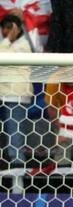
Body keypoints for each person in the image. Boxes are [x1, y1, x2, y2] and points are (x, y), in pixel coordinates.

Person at [0, 13, 32, 167]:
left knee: (15, 133)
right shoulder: (8, 45)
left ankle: (17, 168)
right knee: (9, 132)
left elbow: (2, 55)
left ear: (18, 29)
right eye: (4, 28)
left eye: (9, 28)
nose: (6, 32)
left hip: (16, 96)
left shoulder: (23, 45)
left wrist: (9, 37)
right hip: (5, 95)